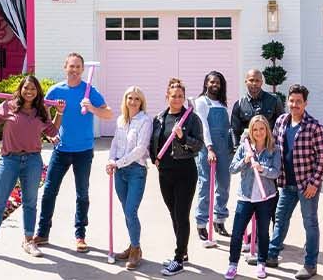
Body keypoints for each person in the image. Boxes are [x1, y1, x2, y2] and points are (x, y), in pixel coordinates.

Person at [0, 75, 60, 259]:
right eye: (26, 88)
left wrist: (60, 112)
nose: (29, 92)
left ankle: (29, 241)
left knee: (30, 202)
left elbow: (52, 131)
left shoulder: (42, 109)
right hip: (9, 160)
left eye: (33, 89)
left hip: (32, 161)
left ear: (38, 92)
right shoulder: (9, 105)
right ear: (20, 89)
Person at [34, 53, 115, 252]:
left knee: (82, 194)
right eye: (72, 66)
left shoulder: (90, 91)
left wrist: (92, 108)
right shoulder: (55, 90)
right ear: (65, 67)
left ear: (83, 69)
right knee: (49, 191)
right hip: (61, 149)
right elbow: (40, 114)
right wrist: (49, 135)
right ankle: (43, 233)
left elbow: (109, 113)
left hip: (84, 151)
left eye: (78, 67)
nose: (75, 70)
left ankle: (80, 236)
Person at [267, 84, 323, 280]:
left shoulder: (314, 126)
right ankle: (272, 254)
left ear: (305, 103)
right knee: (280, 218)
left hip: (306, 184)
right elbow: (273, 147)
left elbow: (322, 157)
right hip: (286, 183)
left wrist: (314, 182)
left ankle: (310, 264)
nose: (294, 105)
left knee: (309, 223)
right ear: (287, 101)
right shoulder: (281, 121)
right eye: (291, 101)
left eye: (298, 102)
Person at [150, 77, 206, 276]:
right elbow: (153, 141)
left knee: (182, 215)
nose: (177, 99)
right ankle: (183, 252)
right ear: (167, 96)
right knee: (174, 214)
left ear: (184, 97)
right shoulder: (159, 117)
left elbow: (199, 145)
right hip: (165, 173)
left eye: (180, 96)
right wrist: (153, 158)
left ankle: (178, 258)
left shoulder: (191, 118)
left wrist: (183, 137)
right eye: (173, 96)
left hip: (185, 172)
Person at [225, 115, 283, 279]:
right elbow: (232, 169)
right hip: (246, 197)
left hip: (266, 198)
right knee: (237, 232)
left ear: (267, 130)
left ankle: (261, 263)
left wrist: (261, 168)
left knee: (263, 233)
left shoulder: (274, 149)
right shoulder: (245, 147)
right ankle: (232, 264)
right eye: (255, 129)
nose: (258, 132)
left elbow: (276, 172)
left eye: (262, 129)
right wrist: (245, 160)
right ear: (251, 131)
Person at [107, 85, 154, 270]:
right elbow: (114, 143)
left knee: (130, 211)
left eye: (137, 99)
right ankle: (132, 245)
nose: (133, 102)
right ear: (125, 100)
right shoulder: (120, 120)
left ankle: (136, 250)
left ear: (141, 102)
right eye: (130, 98)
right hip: (120, 172)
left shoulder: (145, 121)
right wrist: (111, 160)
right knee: (127, 212)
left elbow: (141, 149)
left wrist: (118, 163)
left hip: (136, 171)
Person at [196, 71, 233, 243]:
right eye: (211, 82)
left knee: (224, 183)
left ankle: (219, 220)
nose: (214, 85)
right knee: (206, 185)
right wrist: (210, 148)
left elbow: (228, 129)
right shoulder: (202, 102)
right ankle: (202, 223)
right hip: (207, 148)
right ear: (206, 83)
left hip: (224, 149)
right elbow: (203, 126)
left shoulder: (223, 104)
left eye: (217, 82)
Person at [231, 69, 285, 144]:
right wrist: (236, 148)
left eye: (257, 80)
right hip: (248, 149)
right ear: (246, 82)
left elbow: (282, 125)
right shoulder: (239, 104)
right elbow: (234, 130)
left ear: (262, 82)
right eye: (251, 80)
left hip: (269, 148)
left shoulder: (274, 100)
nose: (254, 83)